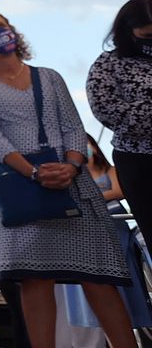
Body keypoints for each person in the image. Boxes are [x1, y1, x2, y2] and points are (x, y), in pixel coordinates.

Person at [0, 9, 136, 347]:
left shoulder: (49, 77)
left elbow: (72, 126)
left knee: (97, 276)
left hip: (72, 182)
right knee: (35, 280)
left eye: (2, 25)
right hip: (17, 186)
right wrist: (34, 172)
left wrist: (70, 166)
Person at [59, 142, 152, 334]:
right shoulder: (74, 181)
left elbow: (119, 191)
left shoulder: (110, 171)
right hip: (91, 237)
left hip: (118, 231)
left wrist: (92, 198)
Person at [87, 0, 152, 225]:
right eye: (146, 37)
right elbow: (106, 110)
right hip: (138, 161)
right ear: (127, 32)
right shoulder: (108, 64)